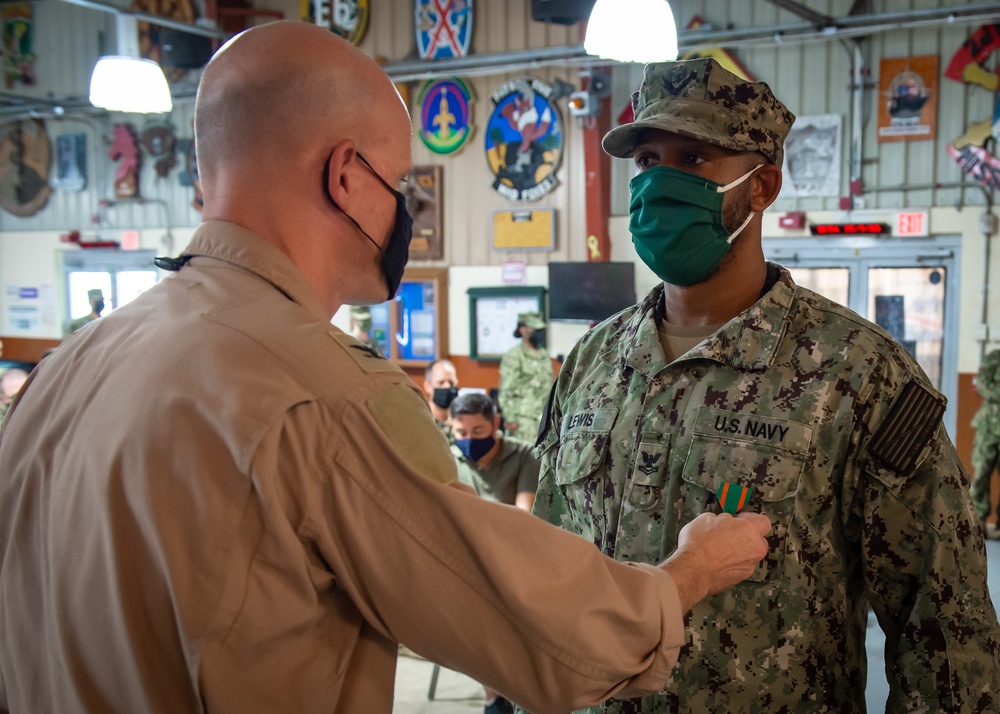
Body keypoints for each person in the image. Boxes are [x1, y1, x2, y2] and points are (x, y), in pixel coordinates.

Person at [0, 24, 773, 714]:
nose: (407, 213)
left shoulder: (72, 368)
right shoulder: (324, 395)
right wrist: (688, 574)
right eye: (400, 185)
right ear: (345, 177)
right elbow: (541, 636)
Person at [532, 57, 1000, 713]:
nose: (660, 182)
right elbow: (548, 571)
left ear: (762, 186)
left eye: (693, 159)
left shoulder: (858, 374)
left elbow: (947, 639)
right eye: (647, 161)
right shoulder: (589, 363)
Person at [449, 391, 541, 714]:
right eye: (461, 433)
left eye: (478, 432)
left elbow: (523, 517)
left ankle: (505, 693)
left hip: (513, 555)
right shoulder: (449, 458)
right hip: (465, 560)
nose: (469, 441)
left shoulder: (523, 455)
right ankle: (494, 696)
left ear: (495, 424)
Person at [498, 311, 553, 444]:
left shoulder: (544, 355)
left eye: (540, 329)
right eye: (534, 329)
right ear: (522, 330)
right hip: (523, 418)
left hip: (543, 418)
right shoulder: (515, 355)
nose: (538, 333)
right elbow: (506, 389)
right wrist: (509, 418)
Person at [971, 347, 1000, 539]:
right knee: (981, 473)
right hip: (989, 427)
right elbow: (982, 384)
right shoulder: (994, 357)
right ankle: (978, 519)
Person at [423, 357, 459, 437]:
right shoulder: (422, 421)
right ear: (427, 386)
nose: (447, 386)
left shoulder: (461, 423)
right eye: (441, 382)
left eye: (451, 382)